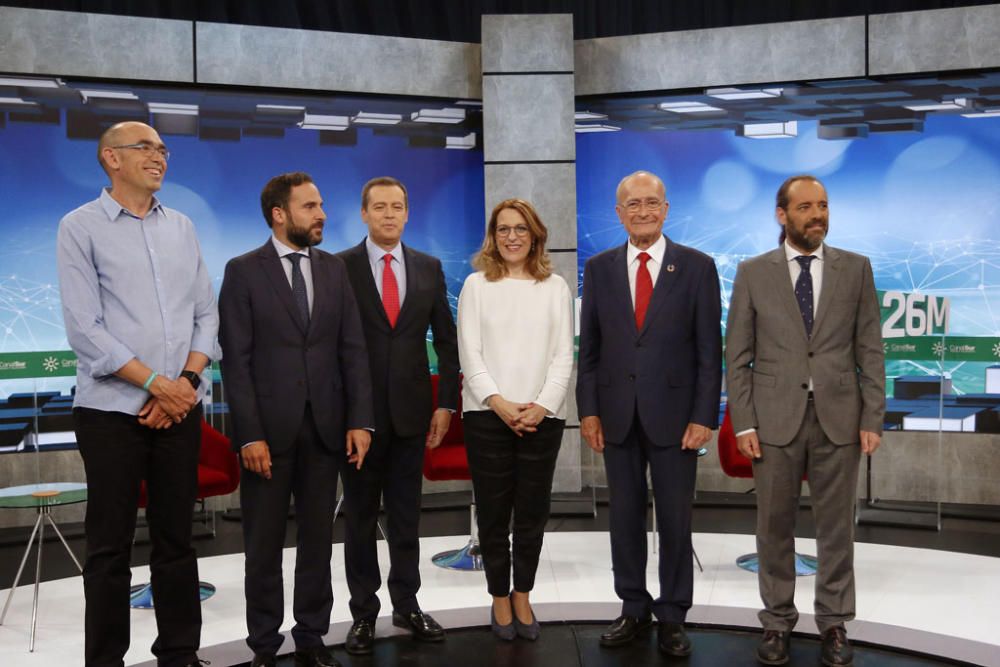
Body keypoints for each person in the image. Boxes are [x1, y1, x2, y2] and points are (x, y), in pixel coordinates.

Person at [56, 121, 219, 667]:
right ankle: (105, 660)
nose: (159, 157)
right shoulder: (79, 228)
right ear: (111, 159)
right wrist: (158, 385)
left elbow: (205, 314)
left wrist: (187, 385)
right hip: (109, 414)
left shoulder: (183, 228)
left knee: (177, 540)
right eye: (144, 147)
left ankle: (179, 653)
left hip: (180, 410)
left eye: (162, 149)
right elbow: (85, 329)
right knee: (109, 549)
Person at [725, 175, 885, 667]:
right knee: (773, 527)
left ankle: (834, 623)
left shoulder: (856, 269)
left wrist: (873, 415)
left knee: (836, 527)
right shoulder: (753, 273)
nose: (817, 215)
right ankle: (776, 623)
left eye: (823, 206)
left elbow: (870, 348)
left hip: (840, 416)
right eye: (806, 207)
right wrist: (744, 423)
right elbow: (739, 356)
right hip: (773, 421)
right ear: (782, 215)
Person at [218, 172, 373, 667]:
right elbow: (235, 363)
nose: (322, 213)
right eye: (310, 206)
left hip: (326, 429)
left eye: (321, 204)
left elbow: (353, 350)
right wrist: (249, 435)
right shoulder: (243, 271)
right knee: (262, 549)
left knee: (316, 544)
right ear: (279, 214)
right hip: (267, 434)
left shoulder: (333, 270)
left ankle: (311, 637)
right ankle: (264, 645)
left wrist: (360, 420)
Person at [576, 171, 721, 657]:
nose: (643, 211)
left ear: (667, 208)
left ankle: (674, 613)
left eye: (652, 202)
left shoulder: (697, 267)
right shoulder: (598, 269)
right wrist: (589, 411)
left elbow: (709, 351)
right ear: (618, 213)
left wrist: (705, 414)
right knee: (624, 517)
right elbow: (590, 350)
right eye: (633, 204)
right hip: (616, 414)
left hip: (678, 417)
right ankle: (633, 607)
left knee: (676, 519)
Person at [335, 176, 459, 653]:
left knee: (407, 517)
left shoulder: (428, 268)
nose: (389, 214)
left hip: (413, 416)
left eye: (397, 206)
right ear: (363, 213)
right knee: (361, 518)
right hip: (358, 420)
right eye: (379, 207)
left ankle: (407, 604)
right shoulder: (338, 267)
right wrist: (348, 414)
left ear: (408, 214)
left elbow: (446, 343)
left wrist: (446, 402)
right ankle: (363, 613)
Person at [457, 198, 574, 641]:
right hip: (487, 417)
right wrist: (501, 404)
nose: (511, 237)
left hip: (543, 417)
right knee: (493, 512)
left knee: (531, 513)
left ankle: (523, 592)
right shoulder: (475, 286)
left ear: (535, 235)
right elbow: (471, 353)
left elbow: (565, 356)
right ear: (493, 236)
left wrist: (541, 405)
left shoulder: (556, 288)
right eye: (503, 229)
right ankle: (498, 597)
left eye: (520, 229)